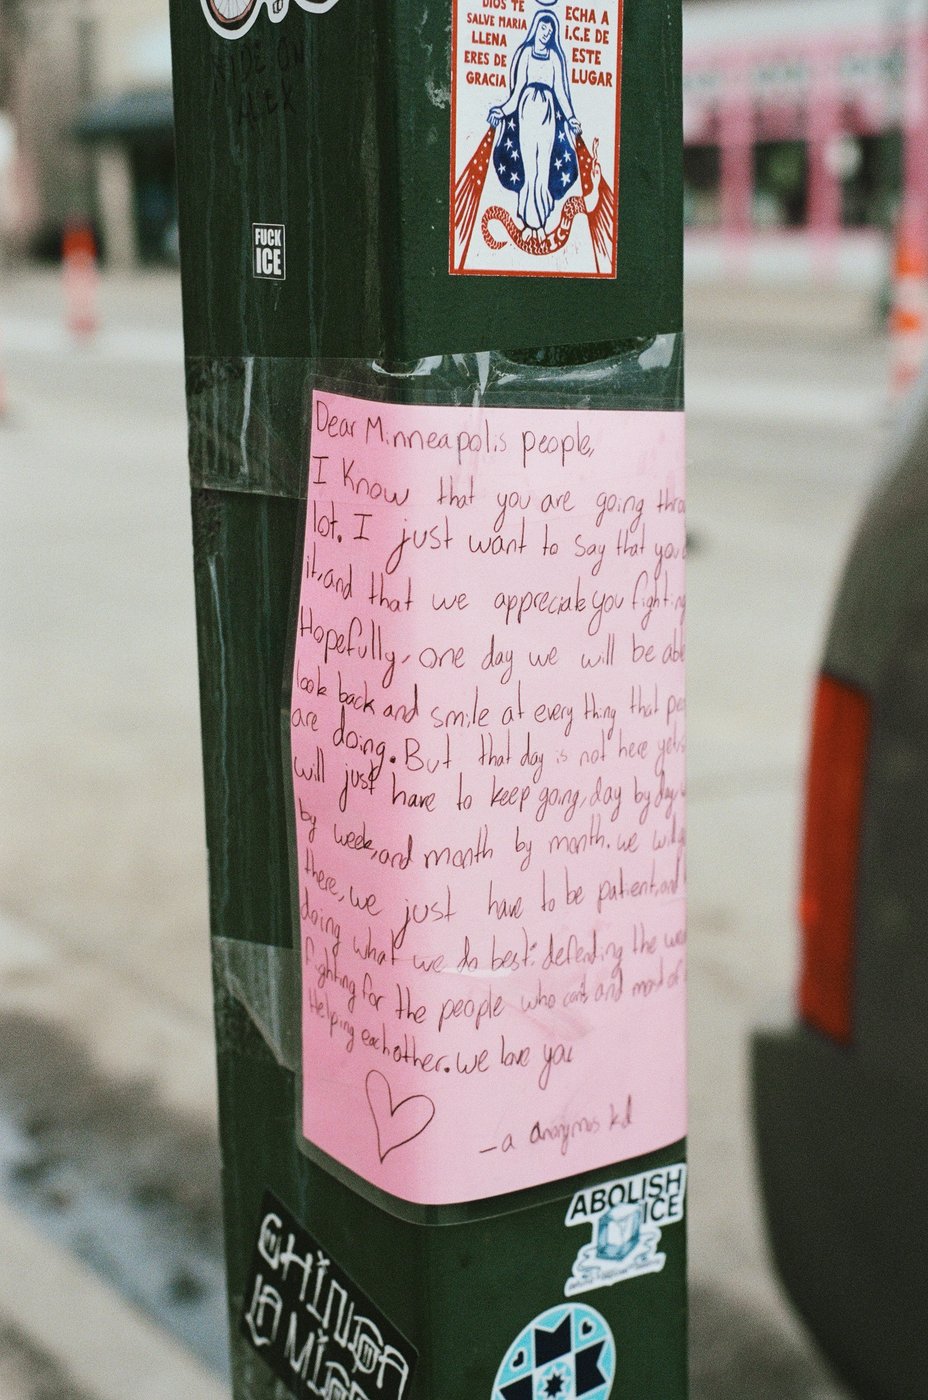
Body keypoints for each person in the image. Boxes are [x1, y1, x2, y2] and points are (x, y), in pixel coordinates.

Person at [488, 12, 582, 240]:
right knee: (530, 169)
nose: (546, 33)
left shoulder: (555, 59)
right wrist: (501, 110)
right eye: (543, 28)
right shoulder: (525, 54)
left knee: (544, 169)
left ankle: (540, 224)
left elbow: (560, 92)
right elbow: (517, 90)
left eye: (550, 31)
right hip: (527, 112)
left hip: (548, 115)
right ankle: (530, 224)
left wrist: (570, 118)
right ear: (536, 29)